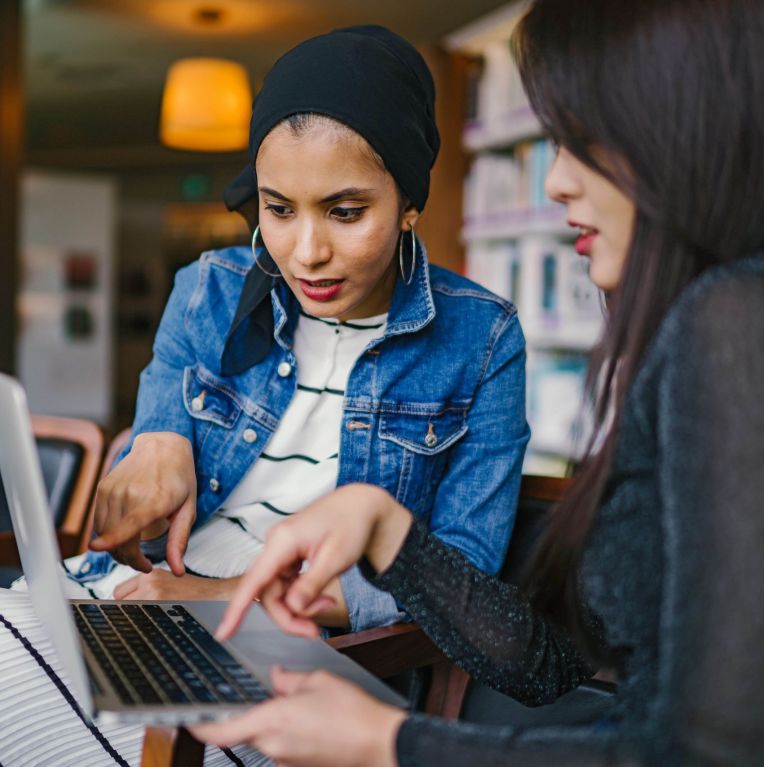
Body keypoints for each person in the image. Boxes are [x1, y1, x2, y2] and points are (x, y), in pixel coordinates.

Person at [0, 25, 530, 767]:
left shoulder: (484, 340)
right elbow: (144, 481)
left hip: (306, 656)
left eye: (344, 211)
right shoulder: (209, 287)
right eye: (278, 209)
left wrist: (211, 590)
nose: (305, 251)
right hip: (137, 600)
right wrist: (157, 434)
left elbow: (455, 581)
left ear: (408, 202)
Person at [190, 0, 764, 764]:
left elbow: (705, 755)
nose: (557, 181)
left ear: (683, 130)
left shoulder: (731, 323)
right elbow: (547, 664)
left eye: (584, 141)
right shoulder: (695, 328)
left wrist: (384, 742)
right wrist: (384, 527)